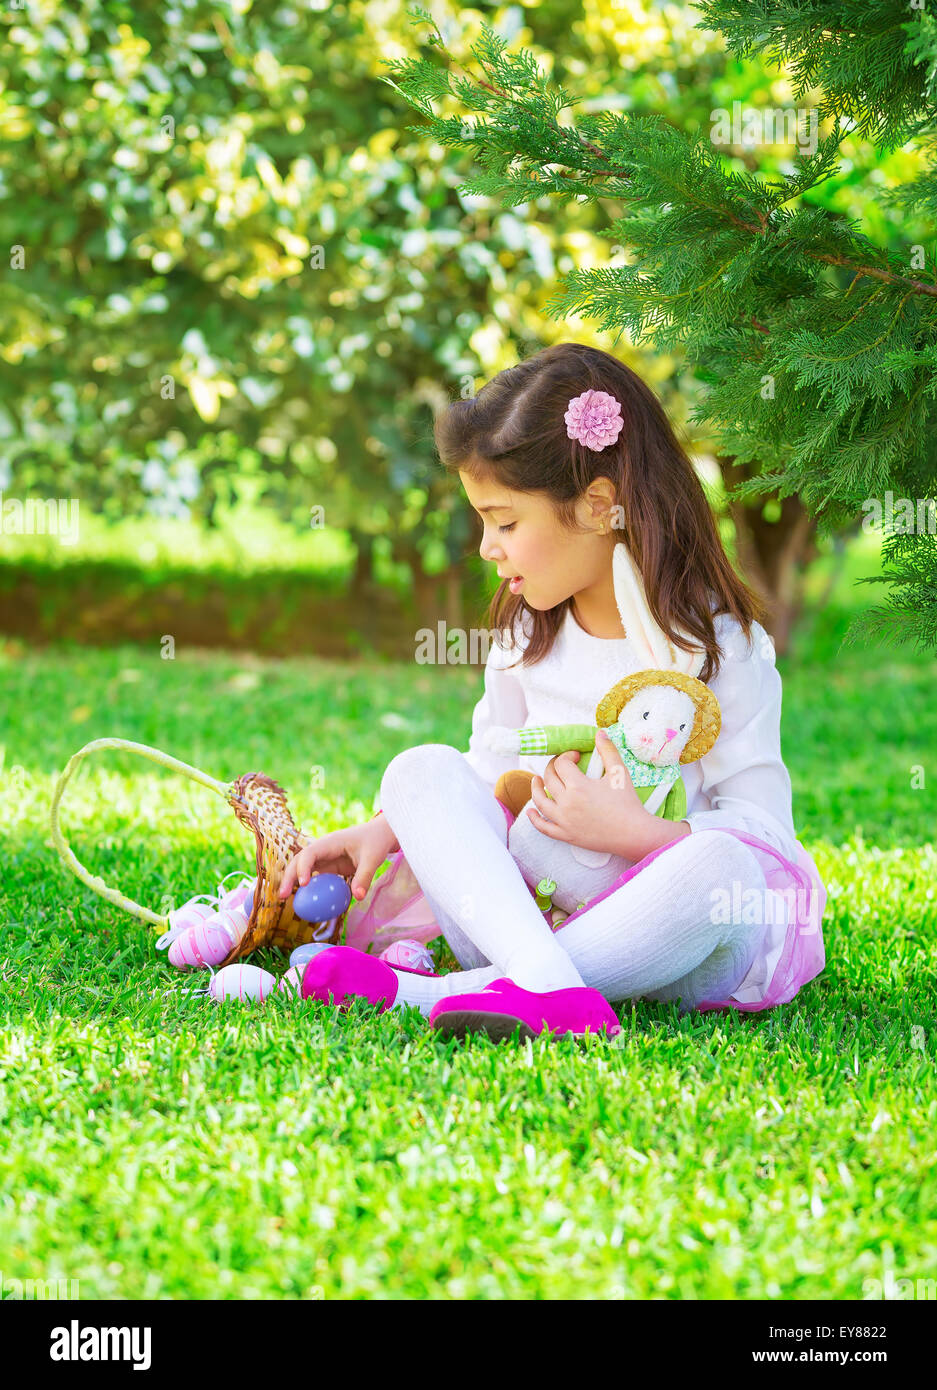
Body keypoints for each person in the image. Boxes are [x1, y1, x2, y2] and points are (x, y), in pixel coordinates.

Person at [278, 342, 826, 1041]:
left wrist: (639, 836)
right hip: (522, 917)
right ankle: (545, 986)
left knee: (720, 866)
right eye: (483, 522)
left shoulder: (718, 646)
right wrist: (389, 829)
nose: (486, 546)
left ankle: (439, 994)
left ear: (598, 506)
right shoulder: (524, 636)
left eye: (505, 522)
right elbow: (486, 769)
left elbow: (764, 832)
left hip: (670, 937)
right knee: (417, 768)